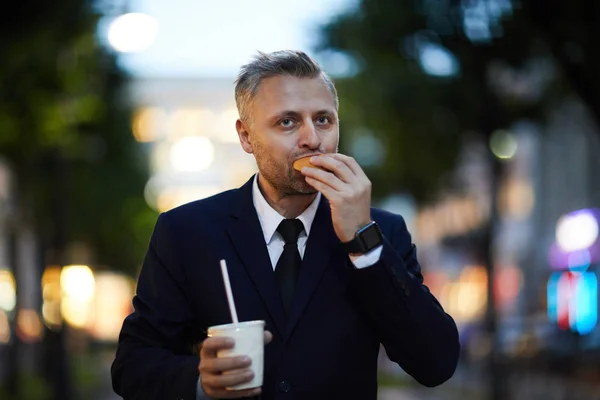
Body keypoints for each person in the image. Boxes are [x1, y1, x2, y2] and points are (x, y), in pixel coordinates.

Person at [111, 50, 460, 400]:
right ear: (246, 137)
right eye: (288, 122)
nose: (312, 139)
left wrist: (362, 241)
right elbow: (131, 366)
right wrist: (200, 381)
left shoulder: (381, 231)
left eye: (323, 120)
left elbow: (435, 363)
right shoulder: (185, 231)